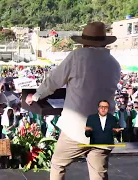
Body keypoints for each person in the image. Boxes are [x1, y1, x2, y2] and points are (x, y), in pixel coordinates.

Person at [25, 22, 121, 180]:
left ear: (83, 42)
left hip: (77, 129)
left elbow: (53, 82)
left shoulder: (77, 57)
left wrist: (35, 96)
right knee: (99, 174)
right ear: (104, 42)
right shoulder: (114, 64)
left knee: (58, 164)